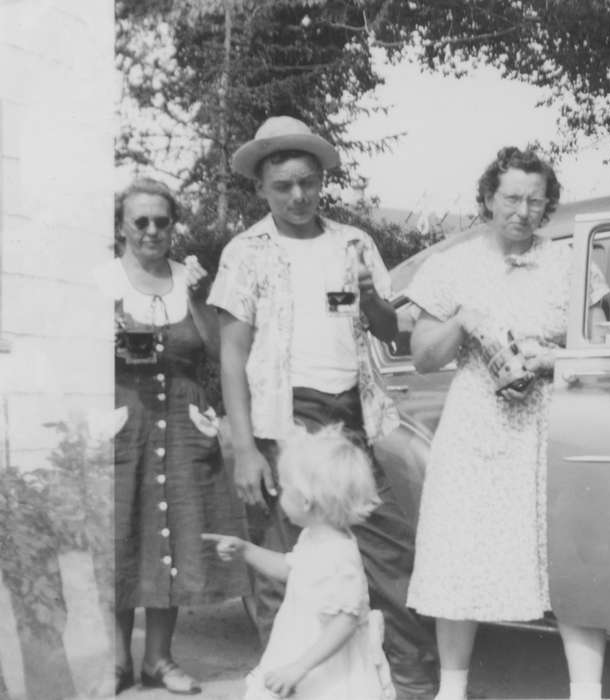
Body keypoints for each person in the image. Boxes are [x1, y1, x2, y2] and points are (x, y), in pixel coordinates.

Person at [207, 116, 438, 699]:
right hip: (281, 423)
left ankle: (411, 678)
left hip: (349, 420)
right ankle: (288, 683)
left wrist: (370, 297)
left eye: (308, 182)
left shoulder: (353, 242)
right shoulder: (246, 251)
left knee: (389, 550)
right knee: (286, 562)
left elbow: (392, 331)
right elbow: (231, 356)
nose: (298, 196)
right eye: (283, 185)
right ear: (261, 187)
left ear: (322, 181)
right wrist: (242, 450)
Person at [404, 146, 610, 700]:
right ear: (488, 200)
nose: (522, 210)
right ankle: (453, 688)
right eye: (511, 198)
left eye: (535, 200)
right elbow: (423, 355)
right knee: (460, 547)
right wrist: (462, 321)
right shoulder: (453, 263)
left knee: (567, 554)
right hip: (477, 423)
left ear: (549, 206)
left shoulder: (569, 262)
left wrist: (554, 359)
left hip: (552, 421)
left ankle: (585, 692)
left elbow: (601, 348)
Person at [97, 177, 250, 695]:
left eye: (162, 221)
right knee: (122, 535)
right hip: (124, 423)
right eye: (140, 221)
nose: (152, 231)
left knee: (177, 537)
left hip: (185, 425)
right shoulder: (102, 280)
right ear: (121, 226)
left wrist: (204, 296)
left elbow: (214, 349)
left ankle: (159, 659)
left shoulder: (191, 278)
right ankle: (116, 660)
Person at [202, 426, 395, 700]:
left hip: (326, 666)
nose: (280, 497)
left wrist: (300, 667)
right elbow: (290, 569)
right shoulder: (315, 536)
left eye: (284, 489)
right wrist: (246, 550)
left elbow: (345, 621)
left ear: (305, 501)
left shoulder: (339, 555)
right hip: (301, 648)